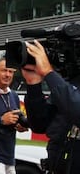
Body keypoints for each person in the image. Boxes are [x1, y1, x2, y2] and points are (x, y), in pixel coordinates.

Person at [21, 40, 80, 174]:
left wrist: (48, 73)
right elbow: (39, 124)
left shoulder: (63, 88)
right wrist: (33, 84)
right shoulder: (69, 84)